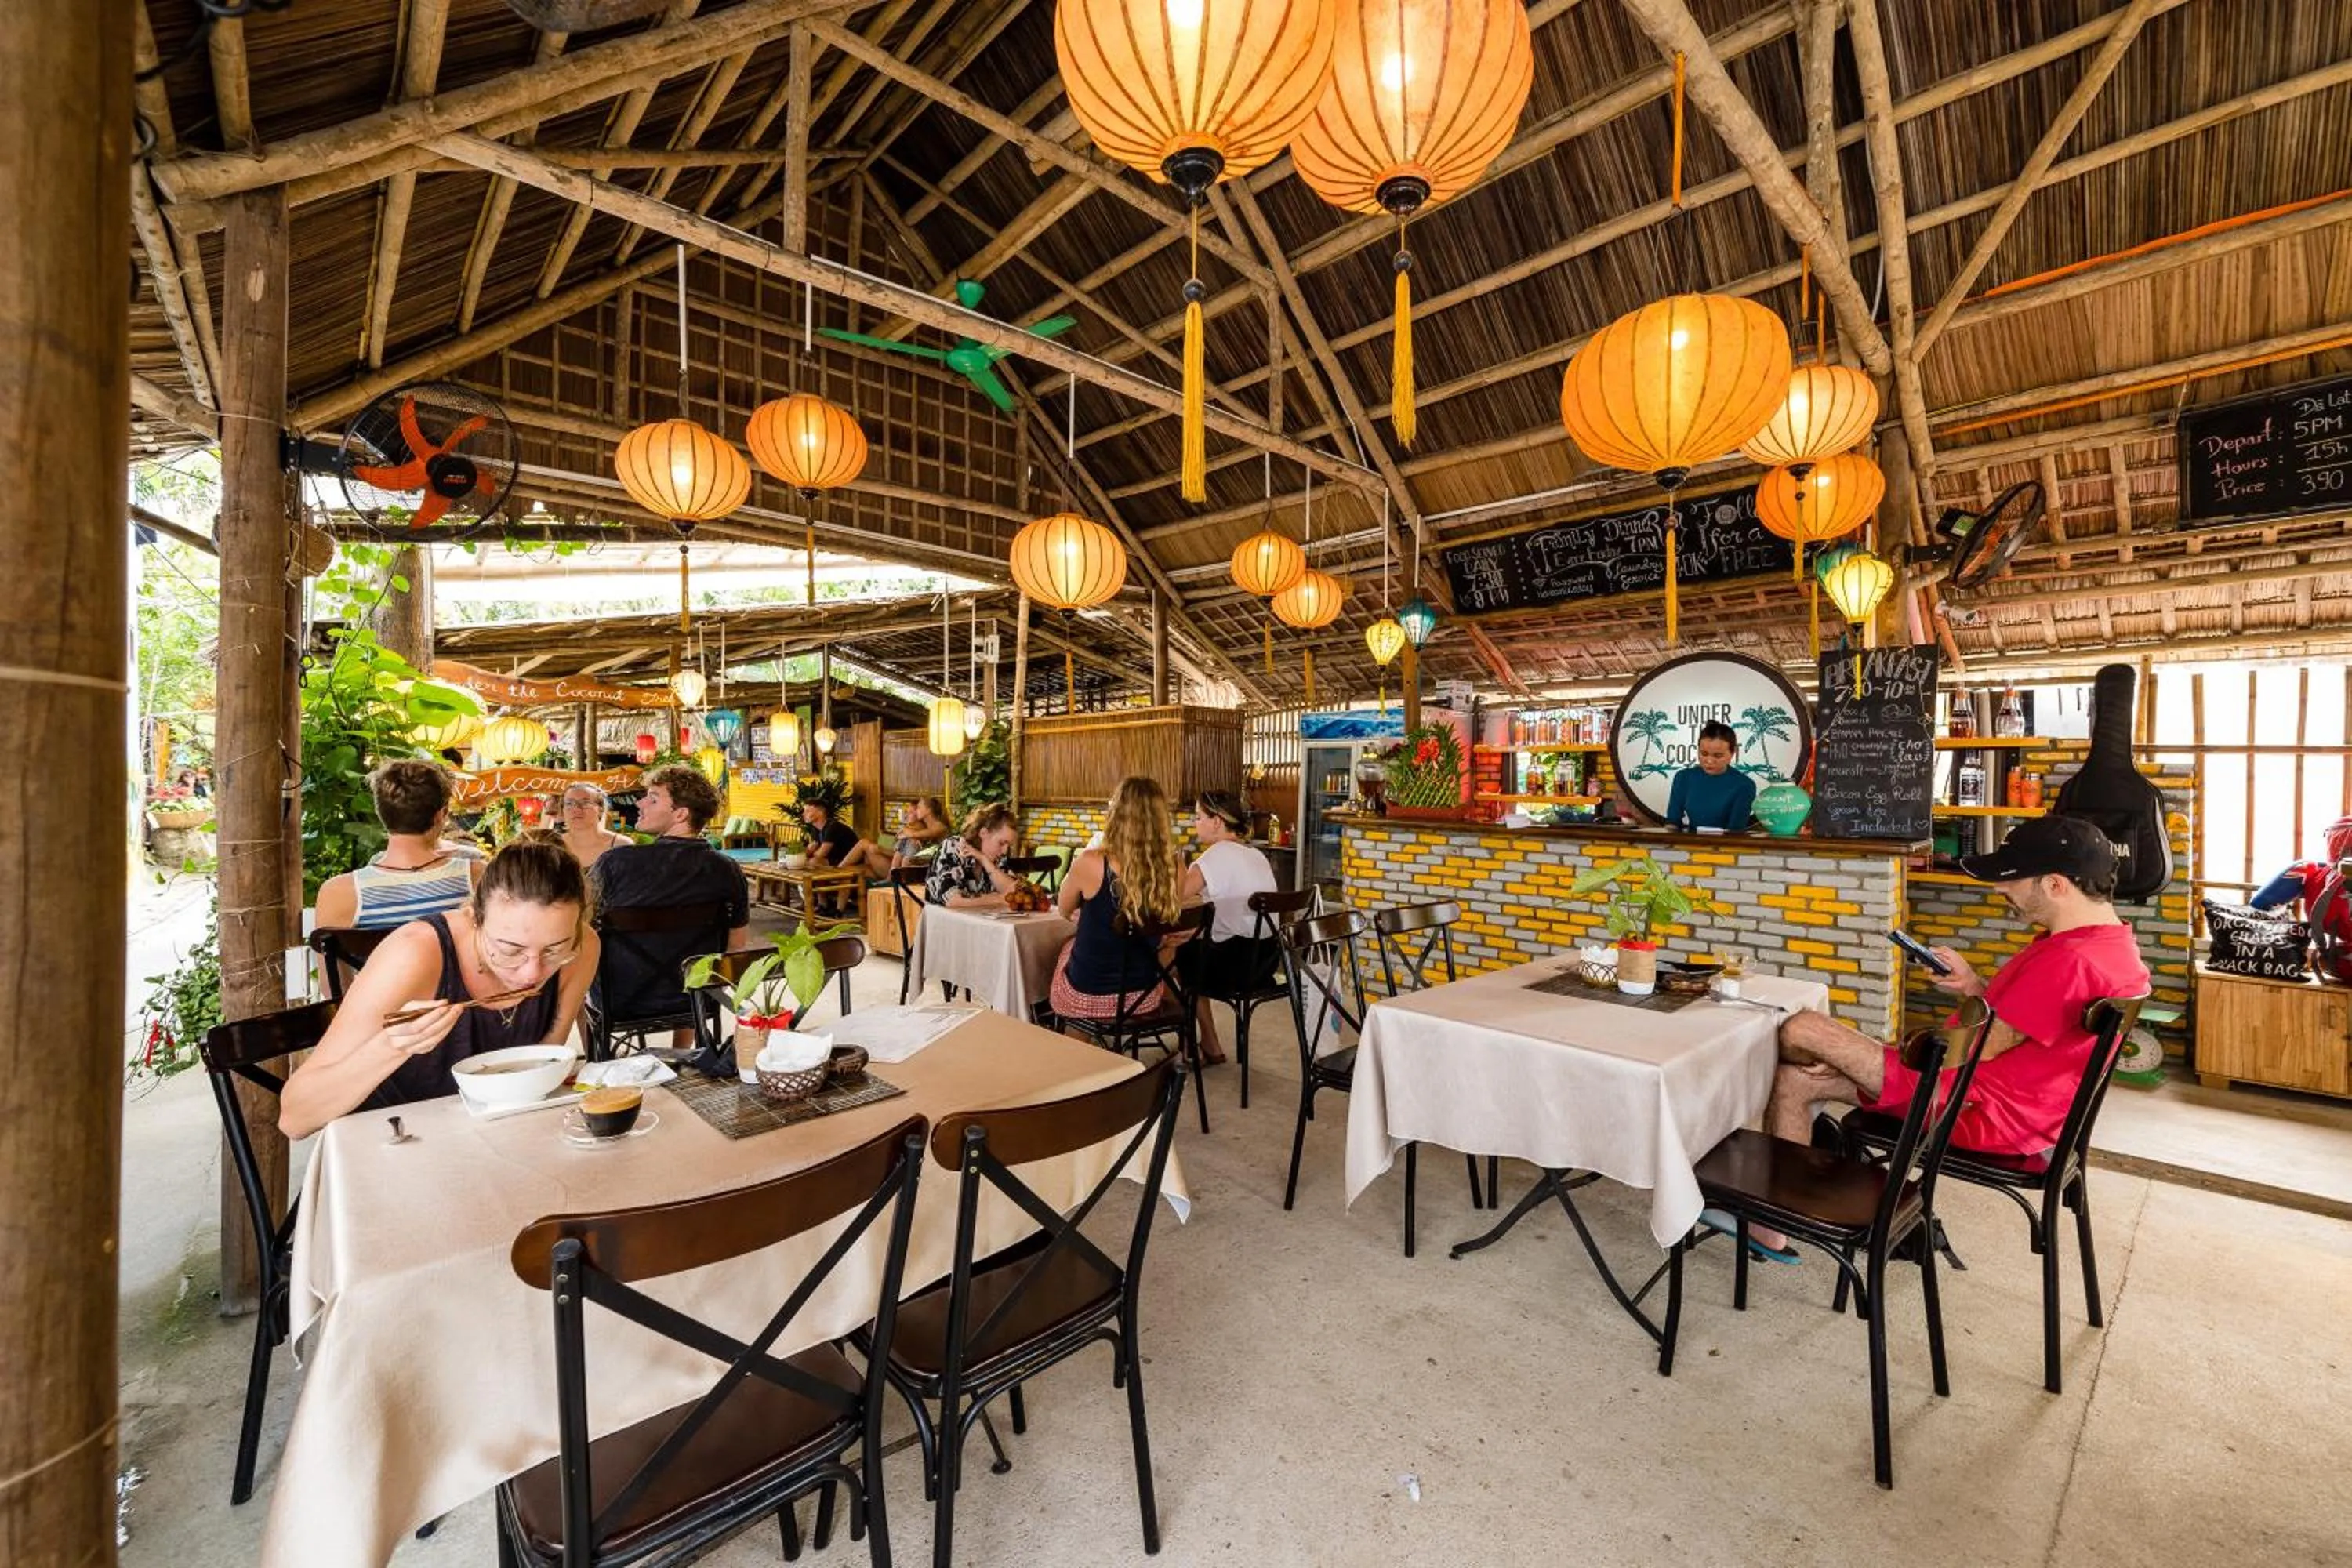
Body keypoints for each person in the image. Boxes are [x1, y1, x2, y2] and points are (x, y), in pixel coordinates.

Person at [1734, 815, 2150, 1260]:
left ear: (2054, 885)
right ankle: (1774, 1227)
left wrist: (1880, 1053)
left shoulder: (2072, 960)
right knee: (1796, 1078)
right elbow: (2016, 1028)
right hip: (2010, 1106)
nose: (2001, 890)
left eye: (2012, 881)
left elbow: (1978, 1046)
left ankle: (1715, 1149)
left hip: (1972, 1106)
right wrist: (1972, 985)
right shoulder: (2110, 946)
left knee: (1801, 1028)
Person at [278, 838, 601, 1139]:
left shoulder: (583, 948)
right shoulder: (415, 954)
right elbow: (295, 1117)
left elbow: (543, 1064)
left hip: (493, 1139)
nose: (532, 972)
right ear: (474, 917)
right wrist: (392, 1046)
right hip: (390, 1141)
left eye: (554, 950)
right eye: (509, 950)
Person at [589, 764, 750, 1032]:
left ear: (681, 814)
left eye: (652, 798)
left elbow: (580, 926)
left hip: (619, 1000)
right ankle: (691, 1051)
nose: (640, 802)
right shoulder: (726, 869)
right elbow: (735, 946)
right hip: (700, 996)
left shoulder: (615, 863)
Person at [1051, 776, 1187, 1024]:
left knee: (1064, 949)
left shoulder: (1091, 862)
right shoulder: (1175, 867)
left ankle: (1074, 1046)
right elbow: (1167, 923)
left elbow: (1063, 909)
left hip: (1088, 993)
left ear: (1116, 813)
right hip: (1143, 993)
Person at [312, 760, 482, 931]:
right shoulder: (479, 879)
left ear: (380, 813)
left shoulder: (339, 893)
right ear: (442, 814)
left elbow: (325, 958)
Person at [1177, 789, 1277, 1065]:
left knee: (1171, 957)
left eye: (1198, 817)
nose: (1194, 823)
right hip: (1266, 963)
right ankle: (1210, 1044)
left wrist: (1175, 860)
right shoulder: (1257, 855)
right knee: (1187, 947)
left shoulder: (1215, 856)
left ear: (1217, 822)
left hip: (1234, 967)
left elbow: (1176, 897)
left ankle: (1191, 1041)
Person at [2251, 815, 2352, 979]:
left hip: (2335, 957)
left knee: (2327, 959)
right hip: (2335, 957)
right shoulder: (2313, 874)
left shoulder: (2312, 874)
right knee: (2327, 959)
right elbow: (2259, 905)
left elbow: (2259, 905)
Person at [1664, 720, 1756, 831]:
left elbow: (1735, 831)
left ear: (1733, 753)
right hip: (1688, 844)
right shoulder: (1683, 778)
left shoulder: (1744, 785)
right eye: (1704, 754)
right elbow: (1672, 823)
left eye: (1718, 756)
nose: (1709, 761)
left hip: (1728, 846)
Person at [926, 804, 1024, 907]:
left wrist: (984, 860)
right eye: (1002, 843)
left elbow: (1013, 892)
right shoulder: (954, 847)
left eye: (1008, 845)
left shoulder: (997, 858)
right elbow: (953, 900)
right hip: (946, 922)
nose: (1005, 851)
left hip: (982, 922)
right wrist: (997, 898)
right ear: (983, 833)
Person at [802, 795, 893, 883]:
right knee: (811, 862)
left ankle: (838, 872)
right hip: (839, 861)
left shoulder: (832, 827)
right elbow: (815, 852)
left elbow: (820, 853)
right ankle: (822, 896)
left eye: (808, 811)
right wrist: (809, 851)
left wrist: (810, 851)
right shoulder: (815, 829)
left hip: (853, 861)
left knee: (814, 862)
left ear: (820, 812)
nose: (804, 814)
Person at [557, 782, 630, 869]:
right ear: (563, 809)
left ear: (601, 809)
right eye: (569, 803)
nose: (577, 809)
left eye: (585, 803)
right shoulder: (553, 845)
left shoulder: (620, 845)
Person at [895, 796, 950, 865]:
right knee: (908, 847)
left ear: (928, 810)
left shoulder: (939, 826)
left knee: (908, 860)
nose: (916, 811)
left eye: (919, 807)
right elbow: (909, 835)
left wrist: (904, 829)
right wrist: (915, 838)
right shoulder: (927, 826)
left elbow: (913, 834)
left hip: (941, 862)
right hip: (930, 858)